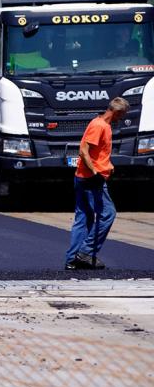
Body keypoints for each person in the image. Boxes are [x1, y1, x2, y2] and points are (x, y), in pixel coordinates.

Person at [65, 97, 129, 270]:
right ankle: (85, 252)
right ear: (117, 112)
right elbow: (83, 151)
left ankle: (72, 260)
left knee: (83, 217)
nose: (121, 119)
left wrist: (108, 166)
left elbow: (97, 153)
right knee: (108, 214)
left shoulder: (102, 125)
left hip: (83, 177)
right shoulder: (99, 126)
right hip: (91, 179)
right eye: (122, 115)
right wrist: (95, 173)